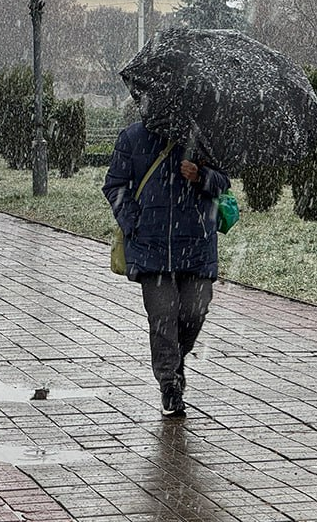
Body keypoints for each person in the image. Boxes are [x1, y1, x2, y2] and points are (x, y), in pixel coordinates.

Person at [102, 120, 230, 418]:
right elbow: (115, 184)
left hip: (197, 244)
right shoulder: (133, 137)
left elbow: (224, 182)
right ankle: (169, 384)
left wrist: (201, 176)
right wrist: (135, 222)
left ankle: (176, 359)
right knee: (162, 316)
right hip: (151, 246)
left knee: (195, 311)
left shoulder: (204, 136)